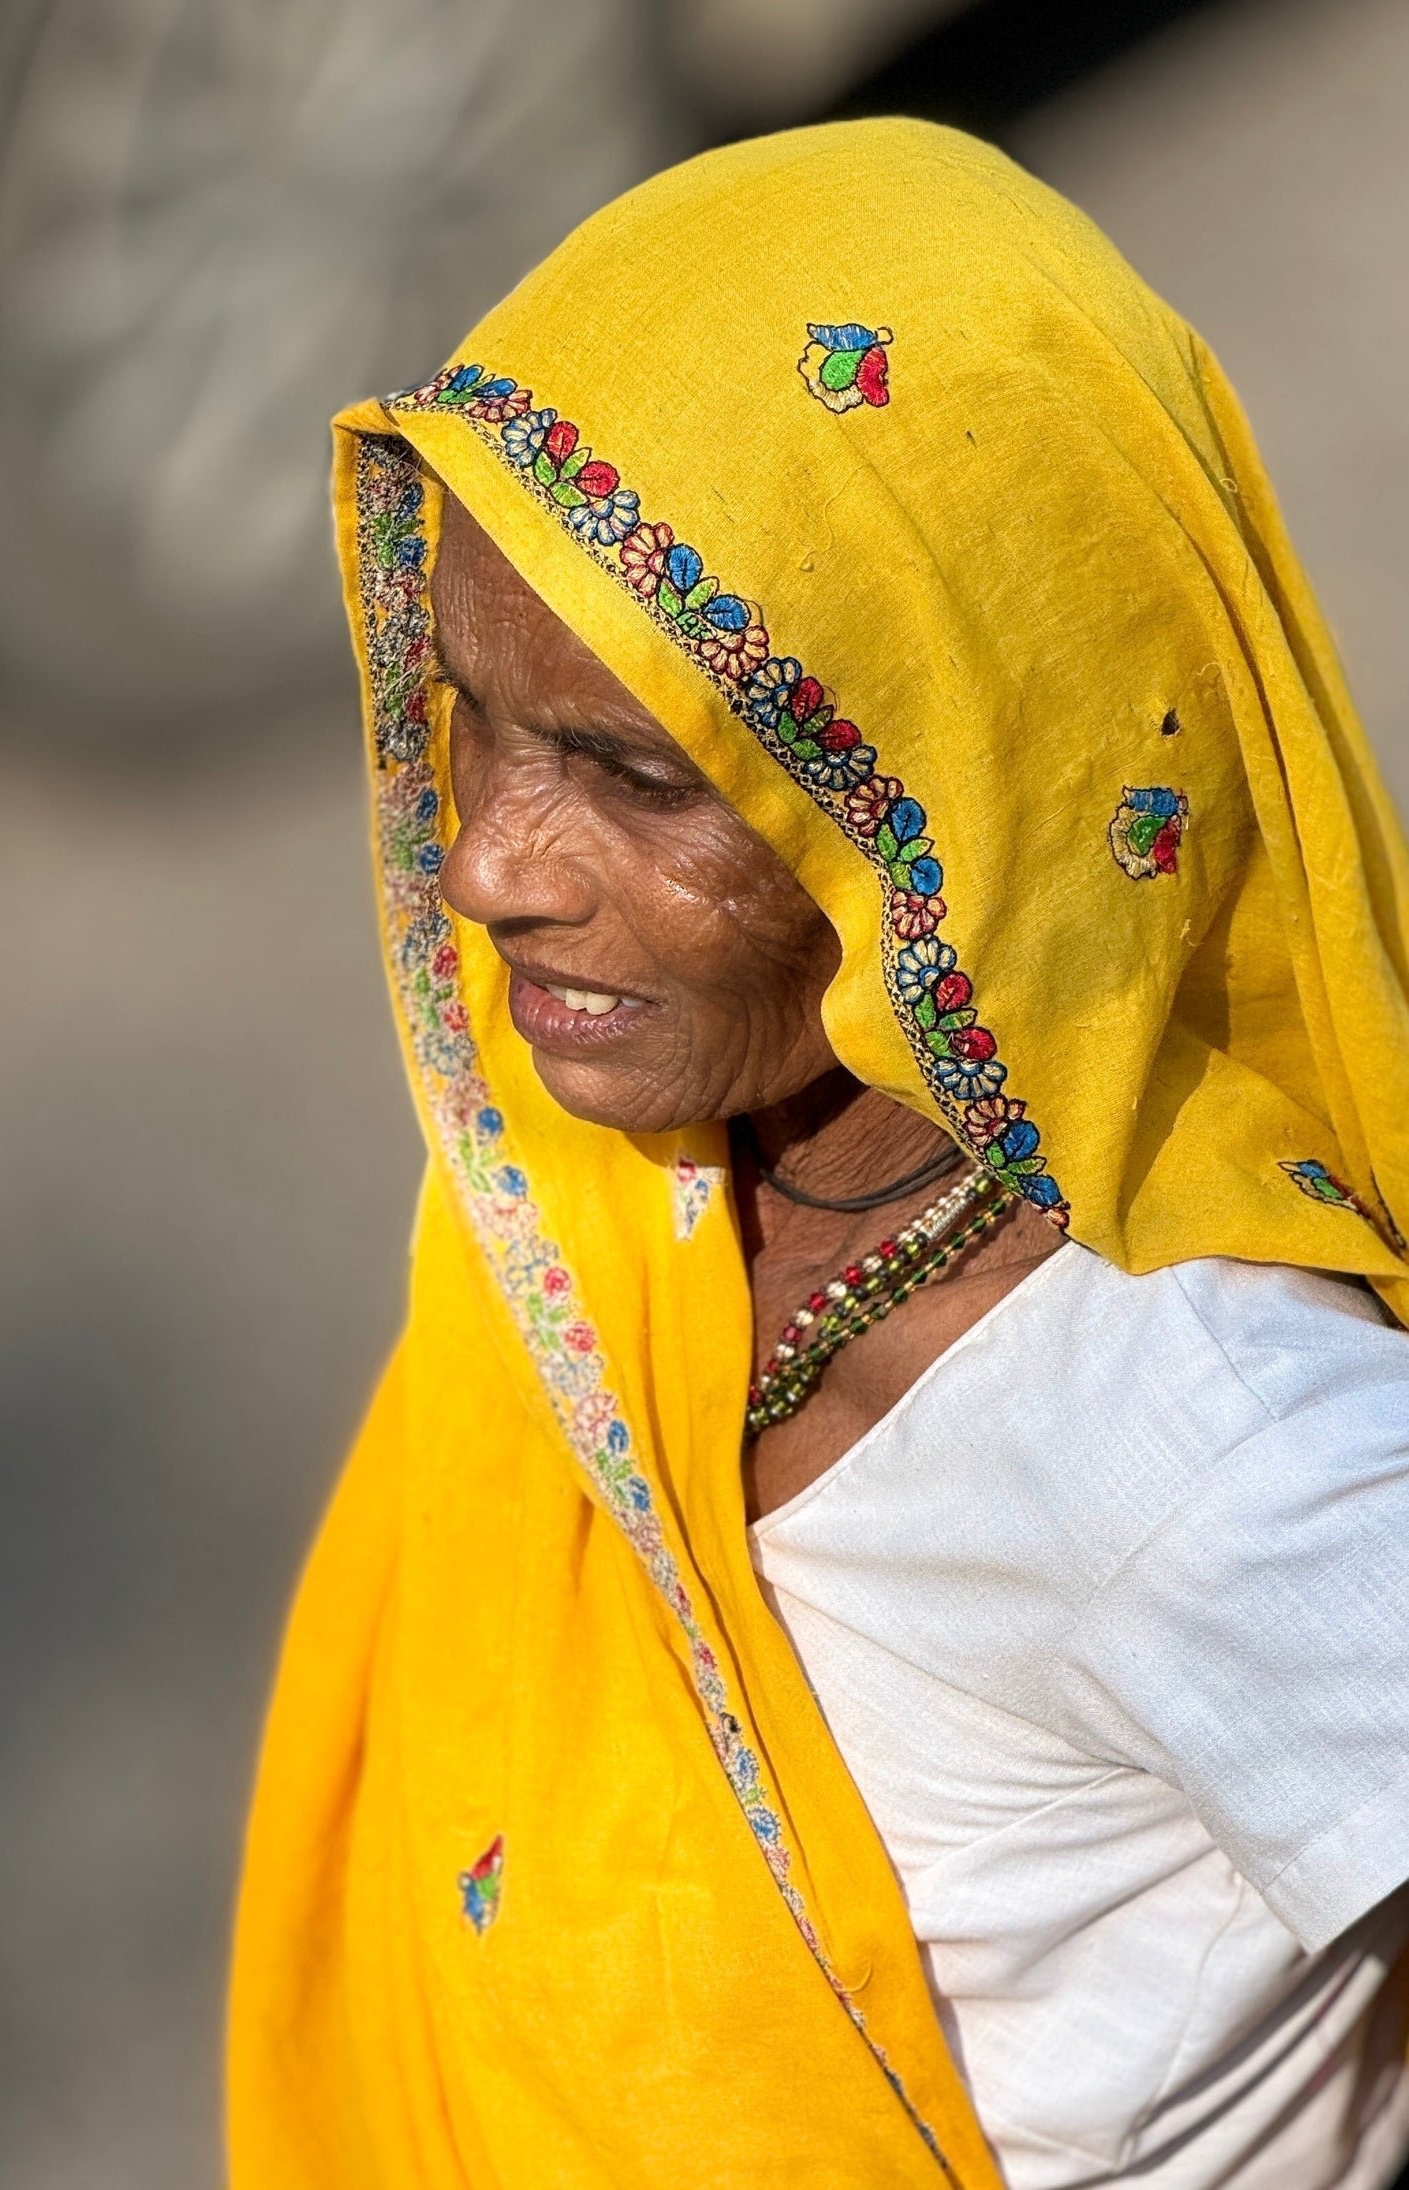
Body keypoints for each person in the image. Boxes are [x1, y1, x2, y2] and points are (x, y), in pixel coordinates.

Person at [228, 121, 1409, 2187]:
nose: (492, 862)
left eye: (633, 772)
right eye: (466, 716)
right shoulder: (642, 1155)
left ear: (963, 786)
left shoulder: (1218, 1464)